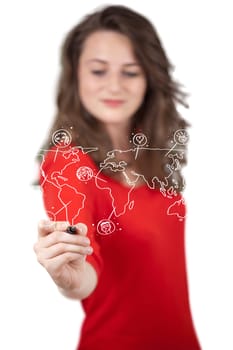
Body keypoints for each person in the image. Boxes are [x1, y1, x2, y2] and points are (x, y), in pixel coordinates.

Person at [33, 5, 201, 350]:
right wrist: (70, 277)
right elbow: (83, 268)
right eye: (98, 71)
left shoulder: (150, 156)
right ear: (75, 75)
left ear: (149, 79)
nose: (114, 86)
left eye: (130, 72)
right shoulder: (68, 162)